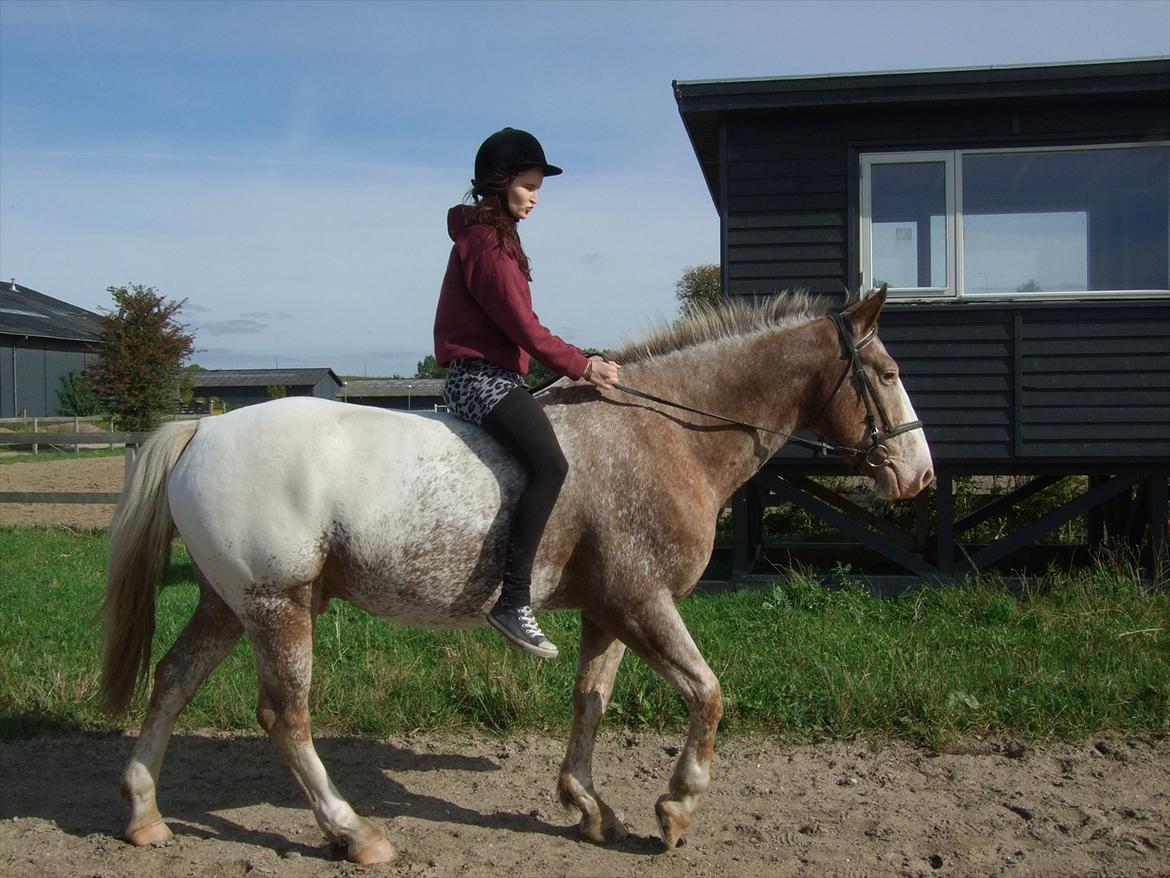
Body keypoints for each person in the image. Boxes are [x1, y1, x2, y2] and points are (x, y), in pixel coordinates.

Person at [434, 127, 621, 659]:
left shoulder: (497, 237)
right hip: (478, 380)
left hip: (497, 375)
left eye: (539, 187)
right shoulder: (487, 243)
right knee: (550, 465)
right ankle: (513, 602)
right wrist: (582, 365)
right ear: (501, 182)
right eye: (530, 185)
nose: (536, 196)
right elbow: (525, 327)